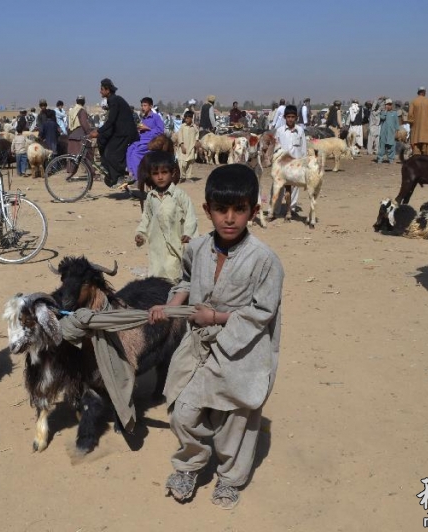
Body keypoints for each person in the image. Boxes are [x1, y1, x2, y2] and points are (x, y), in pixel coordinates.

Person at [148, 163, 283, 510]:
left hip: (242, 351)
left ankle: (229, 477)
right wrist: (172, 306)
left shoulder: (265, 260)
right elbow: (184, 282)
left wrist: (217, 317)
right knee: (182, 411)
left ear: (254, 210)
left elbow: (262, 312)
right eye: (221, 209)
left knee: (235, 421)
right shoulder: (197, 248)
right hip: (199, 346)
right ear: (207, 209)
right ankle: (191, 463)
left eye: (240, 209)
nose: (229, 218)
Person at [134, 152, 197, 282]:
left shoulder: (179, 196)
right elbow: (146, 218)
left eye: (164, 172)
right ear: (151, 176)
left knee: (173, 273)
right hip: (157, 245)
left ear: (172, 173)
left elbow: (190, 217)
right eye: (156, 174)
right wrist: (141, 234)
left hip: (176, 242)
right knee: (157, 274)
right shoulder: (151, 197)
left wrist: (188, 234)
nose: (160, 177)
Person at [88, 78, 139, 187]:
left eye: (102, 89)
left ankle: (120, 176)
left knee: (110, 153)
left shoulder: (114, 100)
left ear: (107, 90)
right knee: (103, 143)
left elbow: (111, 120)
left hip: (125, 133)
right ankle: (109, 171)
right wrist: (100, 133)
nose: (100, 91)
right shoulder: (113, 100)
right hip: (120, 131)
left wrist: (98, 131)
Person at [275, 105, 306, 212]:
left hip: (296, 164)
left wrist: (303, 164)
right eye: (288, 117)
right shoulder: (280, 131)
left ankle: (291, 209)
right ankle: (275, 210)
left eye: (293, 117)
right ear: (284, 117)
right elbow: (276, 148)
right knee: (278, 188)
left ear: (296, 117)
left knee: (295, 187)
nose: (290, 119)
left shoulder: (300, 131)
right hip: (282, 165)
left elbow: (303, 149)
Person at [126, 97, 166, 182]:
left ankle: (138, 178)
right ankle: (131, 173)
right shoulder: (143, 118)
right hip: (141, 140)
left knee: (136, 152)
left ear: (150, 106)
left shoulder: (156, 117)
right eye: (142, 105)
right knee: (129, 149)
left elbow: (160, 131)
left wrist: (147, 128)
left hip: (150, 141)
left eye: (145, 105)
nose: (143, 107)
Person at [408, 86, 428, 156]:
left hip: (416, 132)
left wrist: (412, 125)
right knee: (427, 154)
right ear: (424, 92)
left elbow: (410, 115)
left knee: (417, 154)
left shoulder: (414, 101)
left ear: (418, 92)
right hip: (426, 132)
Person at [177, 111, 199, 182]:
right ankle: (182, 176)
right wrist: (182, 145)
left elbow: (197, 134)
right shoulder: (182, 126)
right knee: (182, 163)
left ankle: (188, 177)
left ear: (191, 118)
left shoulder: (194, 127)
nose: (186, 120)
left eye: (188, 118)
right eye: (185, 118)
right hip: (183, 148)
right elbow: (180, 136)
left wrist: (196, 141)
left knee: (190, 163)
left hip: (191, 147)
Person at [377, 99, 399, 163]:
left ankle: (391, 159)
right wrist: (385, 112)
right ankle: (380, 159)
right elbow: (382, 118)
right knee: (382, 147)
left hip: (391, 133)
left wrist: (397, 131)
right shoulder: (383, 112)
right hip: (383, 132)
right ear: (385, 105)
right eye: (387, 105)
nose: (389, 106)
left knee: (391, 146)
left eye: (390, 105)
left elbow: (396, 123)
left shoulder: (394, 113)